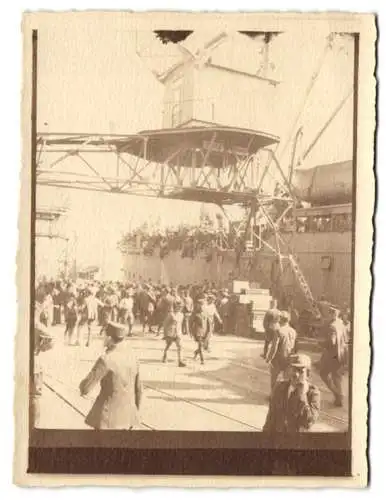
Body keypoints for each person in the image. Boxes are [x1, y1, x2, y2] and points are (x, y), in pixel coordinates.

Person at [79, 321, 143, 430]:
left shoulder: (106, 359)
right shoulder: (133, 357)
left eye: (103, 335)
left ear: (109, 338)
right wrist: (134, 413)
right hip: (128, 418)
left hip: (107, 419)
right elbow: (139, 390)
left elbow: (86, 387)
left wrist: (82, 388)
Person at [263, 354, 321, 433]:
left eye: (300, 371)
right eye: (294, 369)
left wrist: (302, 396)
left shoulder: (313, 393)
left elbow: (308, 422)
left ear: (307, 374)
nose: (296, 374)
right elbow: (270, 418)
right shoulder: (279, 387)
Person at [319, 305, 348, 407]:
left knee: (323, 374)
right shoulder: (341, 324)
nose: (329, 314)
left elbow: (332, 342)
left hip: (332, 355)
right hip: (342, 354)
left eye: (330, 313)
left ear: (332, 314)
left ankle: (338, 395)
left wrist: (321, 343)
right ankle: (339, 397)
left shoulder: (332, 327)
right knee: (337, 376)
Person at [31, 317, 55, 427]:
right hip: (33, 365)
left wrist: (40, 348)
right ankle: (35, 426)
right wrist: (40, 348)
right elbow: (51, 338)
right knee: (34, 396)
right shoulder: (35, 323)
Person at [266, 311, 297, 391]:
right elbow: (294, 346)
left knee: (274, 378)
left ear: (280, 320)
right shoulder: (293, 331)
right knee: (286, 380)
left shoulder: (279, 331)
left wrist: (269, 358)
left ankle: (273, 396)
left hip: (278, 358)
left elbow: (274, 347)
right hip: (289, 357)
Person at [162, 299, 186, 367]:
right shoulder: (170, 314)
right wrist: (165, 334)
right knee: (168, 345)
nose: (179, 308)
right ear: (175, 307)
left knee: (180, 346)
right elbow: (165, 324)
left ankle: (180, 361)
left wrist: (180, 333)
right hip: (170, 332)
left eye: (181, 307)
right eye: (178, 307)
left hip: (178, 333)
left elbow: (180, 324)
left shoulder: (181, 315)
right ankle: (165, 355)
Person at [191, 298, 209, 365]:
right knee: (200, 345)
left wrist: (209, 332)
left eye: (202, 305)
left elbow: (208, 323)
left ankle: (196, 352)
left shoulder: (206, 313)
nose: (201, 306)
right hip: (197, 332)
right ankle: (202, 360)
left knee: (201, 346)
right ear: (197, 305)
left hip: (204, 331)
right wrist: (191, 332)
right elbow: (191, 323)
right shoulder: (195, 313)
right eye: (199, 305)